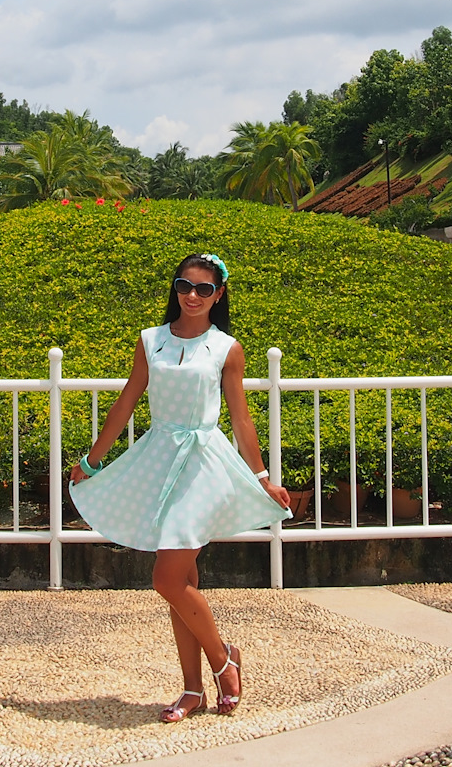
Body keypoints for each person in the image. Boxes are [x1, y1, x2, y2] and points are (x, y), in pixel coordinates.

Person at [69, 252, 291, 723]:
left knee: (166, 578)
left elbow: (240, 417)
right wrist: (92, 459)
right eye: (184, 286)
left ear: (219, 294)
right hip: (158, 459)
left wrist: (261, 477)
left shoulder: (227, 348)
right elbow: (126, 402)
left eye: (204, 289)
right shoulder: (151, 341)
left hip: (204, 467)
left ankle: (224, 659)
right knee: (182, 584)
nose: (192, 295)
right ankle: (193, 689)